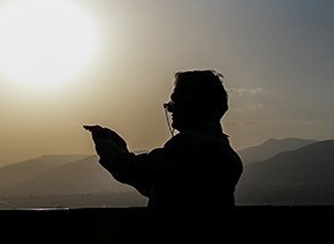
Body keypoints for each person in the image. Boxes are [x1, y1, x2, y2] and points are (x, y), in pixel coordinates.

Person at [84, 69, 243, 213]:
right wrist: (120, 149)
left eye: (175, 101)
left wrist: (105, 144)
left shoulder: (189, 145)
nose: (170, 108)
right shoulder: (222, 149)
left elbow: (135, 171)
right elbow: (158, 183)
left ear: (193, 103)